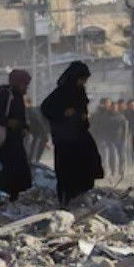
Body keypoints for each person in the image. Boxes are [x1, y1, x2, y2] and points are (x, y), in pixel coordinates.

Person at [40, 61, 102, 206]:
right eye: (82, 79)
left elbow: (82, 111)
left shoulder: (80, 93)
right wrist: (63, 113)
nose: (83, 82)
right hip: (65, 139)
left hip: (79, 135)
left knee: (87, 164)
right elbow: (46, 108)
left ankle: (80, 196)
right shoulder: (61, 92)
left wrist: (83, 117)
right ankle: (66, 200)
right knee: (66, 171)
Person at [0, 70, 33, 202]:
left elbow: (19, 117)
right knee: (14, 168)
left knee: (20, 170)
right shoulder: (6, 94)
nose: (26, 87)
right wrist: (7, 122)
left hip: (15, 139)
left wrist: (24, 127)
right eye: (24, 84)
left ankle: (14, 198)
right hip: (5, 140)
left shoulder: (17, 96)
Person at [25, 94, 49, 165]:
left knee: (33, 159)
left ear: (26, 103)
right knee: (32, 158)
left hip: (40, 137)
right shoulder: (28, 111)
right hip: (38, 137)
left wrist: (46, 139)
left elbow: (41, 124)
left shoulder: (31, 111)